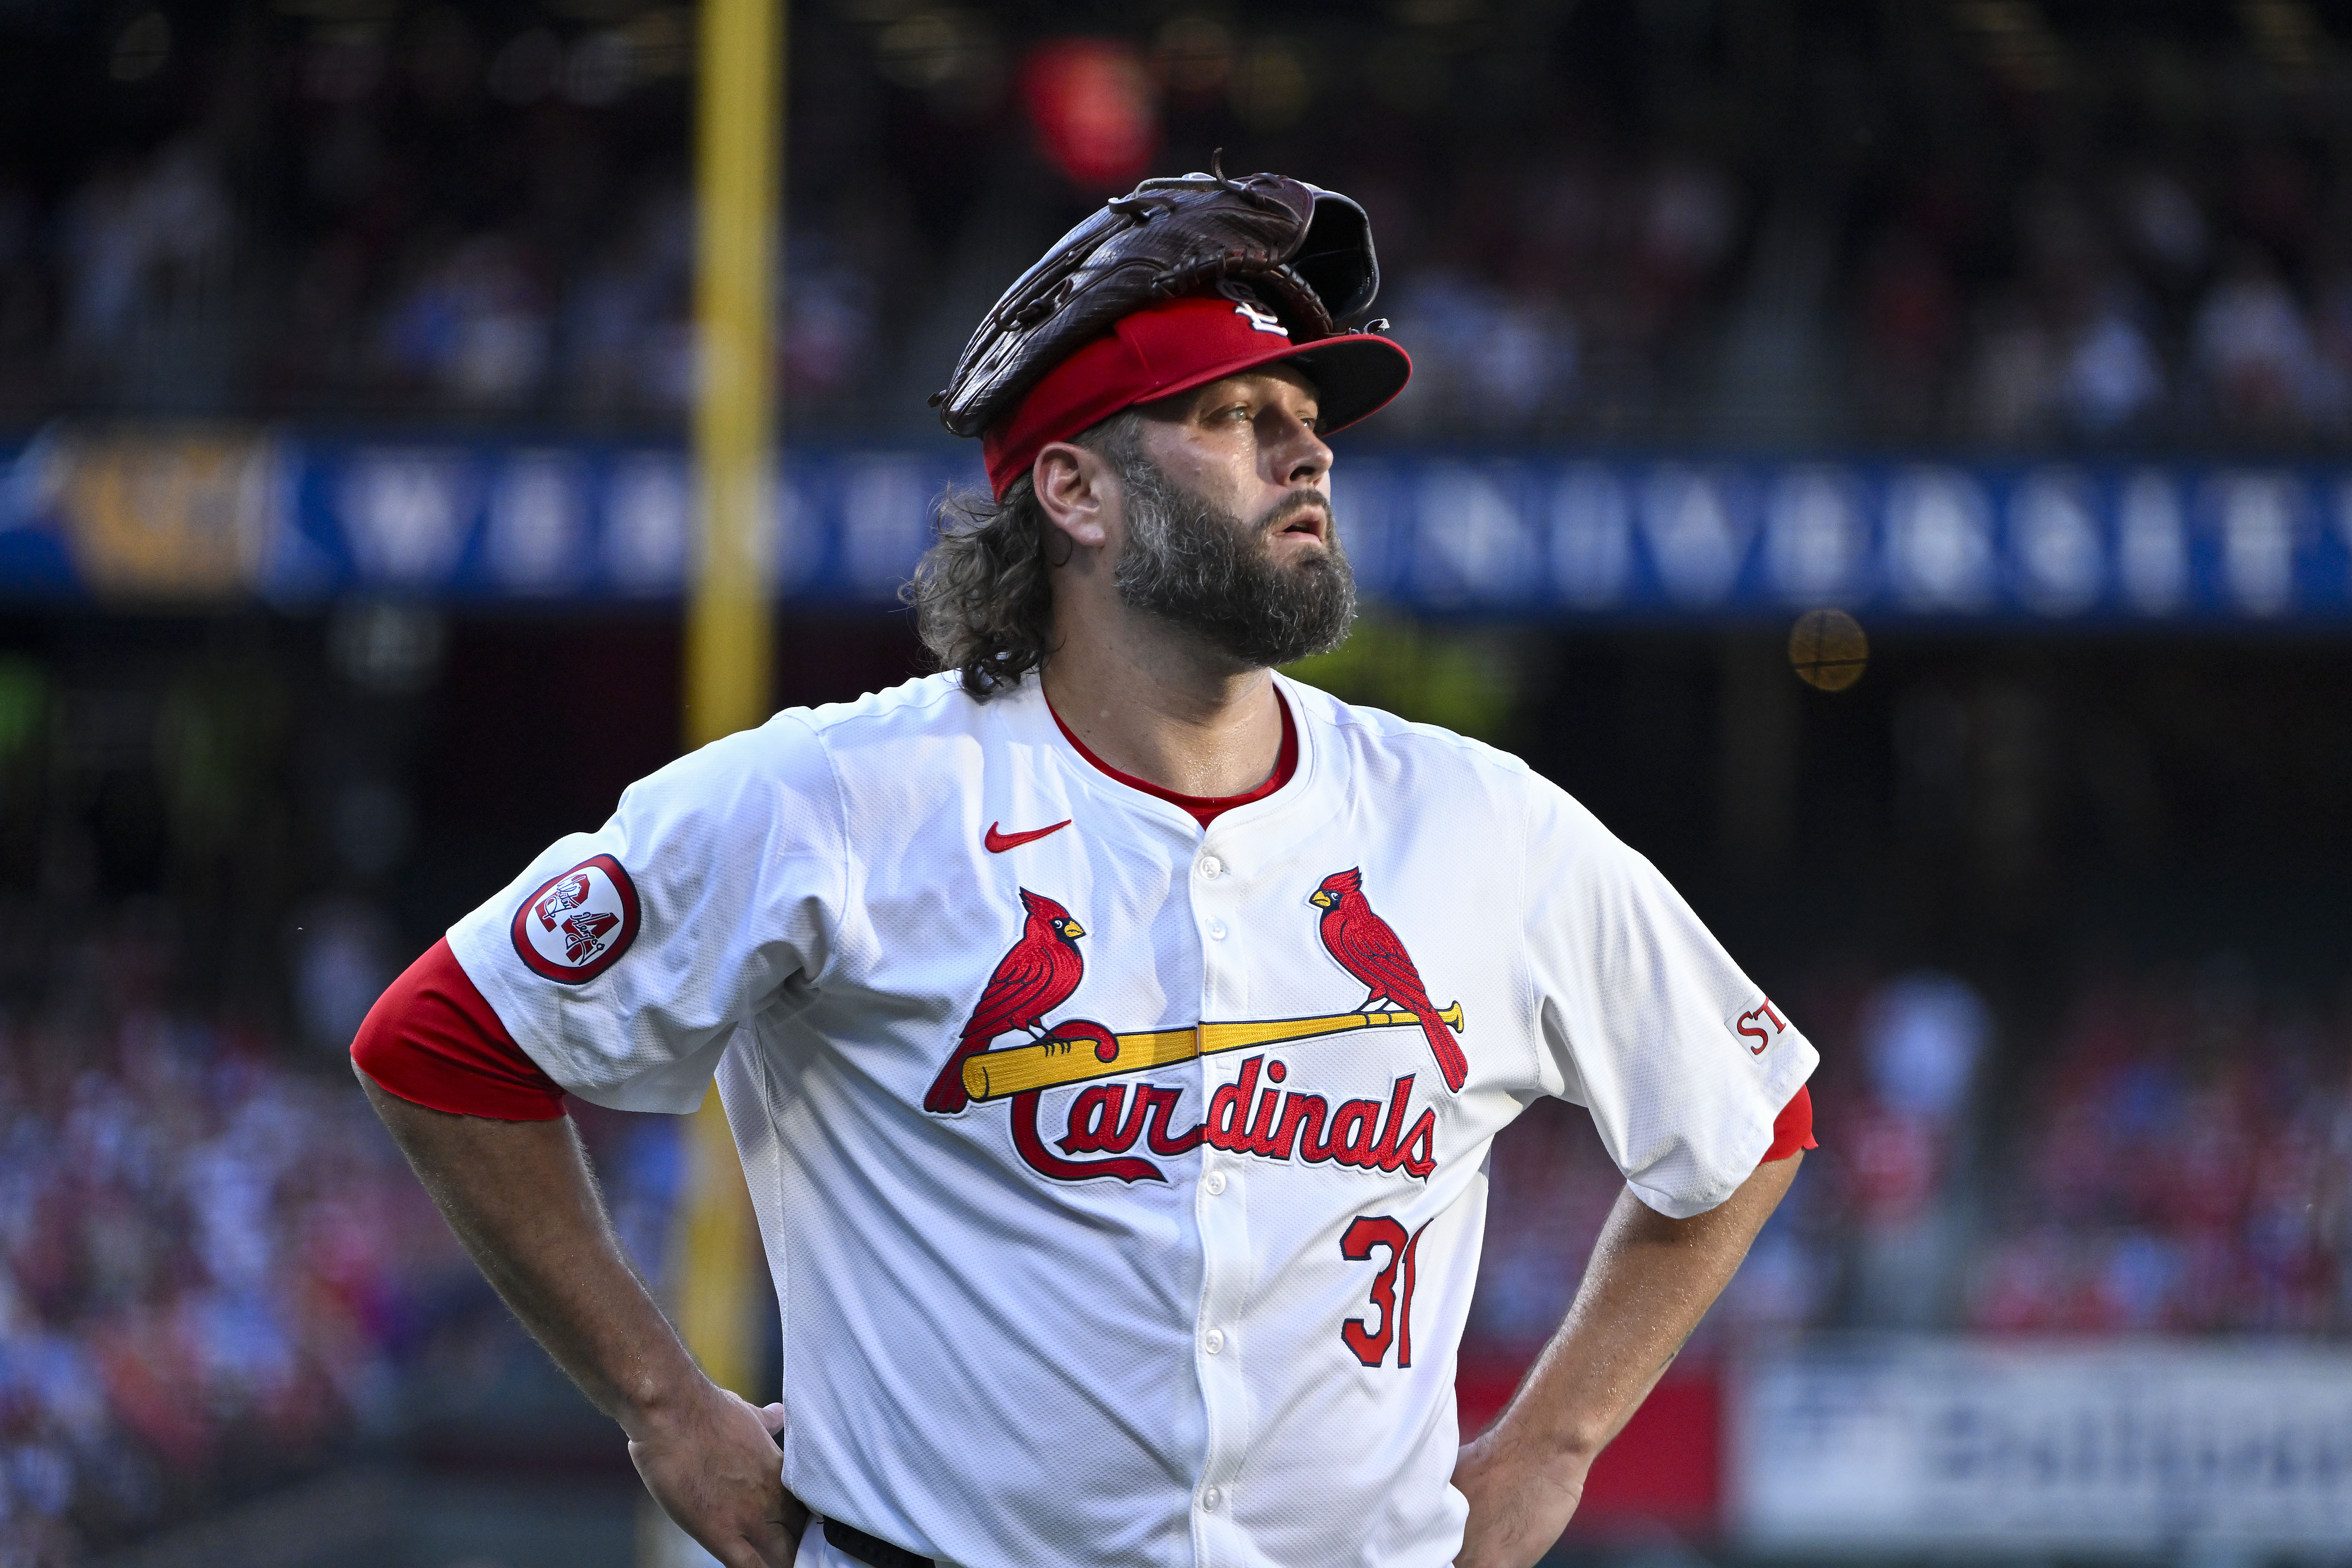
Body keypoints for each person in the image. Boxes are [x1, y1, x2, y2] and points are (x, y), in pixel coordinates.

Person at [353, 170, 1816, 1568]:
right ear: (1075, 490)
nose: (1304, 450)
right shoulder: (843, 797)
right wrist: (665, 1405)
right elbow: (444, 1038)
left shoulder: (1479, 824)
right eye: (1235, 415)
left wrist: (1553, 1442)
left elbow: (1749, 1112)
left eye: (1306, 417)